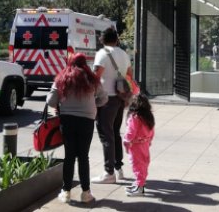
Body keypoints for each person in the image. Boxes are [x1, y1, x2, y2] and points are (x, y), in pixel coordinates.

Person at [47, 53, 108, 204]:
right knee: (83, 156)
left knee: (69, 156)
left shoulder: (62, 78)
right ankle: (86, 193)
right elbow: (104, 98)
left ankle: (66, 192)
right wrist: (94, 104)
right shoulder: (92, 79)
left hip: (67, 120)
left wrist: (61, 102)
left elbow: (51, 101)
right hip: (87, 120)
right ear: (85, 64)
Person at [93, 27, 133, 184]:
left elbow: (96, 76)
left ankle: (109, 173)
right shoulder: (124, 54)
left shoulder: (102, 54)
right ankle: (118, 168)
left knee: (106, 134)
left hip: (105, 100)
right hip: (120, 98)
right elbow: (130, 75)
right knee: (115, 133)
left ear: (102, 39)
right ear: (116, 40)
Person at [123, 93, 155, 197]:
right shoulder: (148, 117)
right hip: (145, 144)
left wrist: (126, 141)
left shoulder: (135, 117)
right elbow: (151, 131)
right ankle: (138, 184)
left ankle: (139, 187)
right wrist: (149, 140)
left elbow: (130, 132)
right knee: (144, 164)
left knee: (137, 165)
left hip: (136, 145)